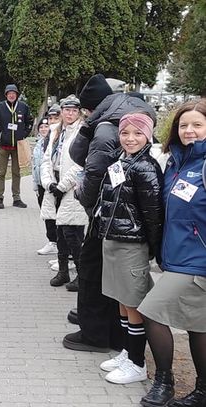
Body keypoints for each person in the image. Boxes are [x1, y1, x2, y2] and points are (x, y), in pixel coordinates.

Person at [64, 73, 156, 352]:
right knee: (106, 274)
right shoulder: (127, 114)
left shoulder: (105, 127)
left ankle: (95, 334)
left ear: (92, 106)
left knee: (92, 270)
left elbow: (93, 172)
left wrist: (86, 200)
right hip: (119, 212)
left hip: (109, 213)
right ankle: (110, 331)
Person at [138, 99, 206, 407]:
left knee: (151, 311)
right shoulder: (176, 163)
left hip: (197, 261)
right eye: (183, 125)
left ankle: (164, 382)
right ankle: (202, 390)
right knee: (197, 324)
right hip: (175, 258)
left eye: (197, 125)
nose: (189, 131)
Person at [96, 113, 163, 385]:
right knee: (122, 300)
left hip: (132, 244)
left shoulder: (145, 166)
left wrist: (155, 251)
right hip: (114, 239)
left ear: (148, 135)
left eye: (138, 133)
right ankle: (127, 352)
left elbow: (154, 213)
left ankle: (137, 363)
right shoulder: (122, 160)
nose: (130, 138)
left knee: (134, 303)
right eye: (125, 133)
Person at [40, 95, 87, 289]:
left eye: (74, 110)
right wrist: (49, 183)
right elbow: (46, 160)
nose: (69, 114)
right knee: (59, 232)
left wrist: (62, 186)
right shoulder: (55, 131)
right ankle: (62, 271)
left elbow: (80, 164)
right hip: (54, 183)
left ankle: (81, 274)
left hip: (71, 187)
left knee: (72, 233)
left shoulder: (82, 132)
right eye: (66, 110)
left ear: (79, 112)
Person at [0, 84, 33, 209]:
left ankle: (16, 198)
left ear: (17, 95)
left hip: (17, 146)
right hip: (3, 146)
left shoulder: (23, 107)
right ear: (6, 95)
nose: (12, 95)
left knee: (16, 172)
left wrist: (24, 134)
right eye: (9, 93)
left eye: (14, 93)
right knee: (1, 172)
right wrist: (0, 135)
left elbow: (30, 122)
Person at [32, 117, 58, 255]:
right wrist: (35, 185)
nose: (43, 129)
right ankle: (52, 241)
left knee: (52, 214)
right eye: (41, 127)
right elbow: (34, 166)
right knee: (46, 214)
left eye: (46, 126)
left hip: (50, 183)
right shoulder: (39, 143)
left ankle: (56, 241)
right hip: (40, 183)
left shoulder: (53, 142)